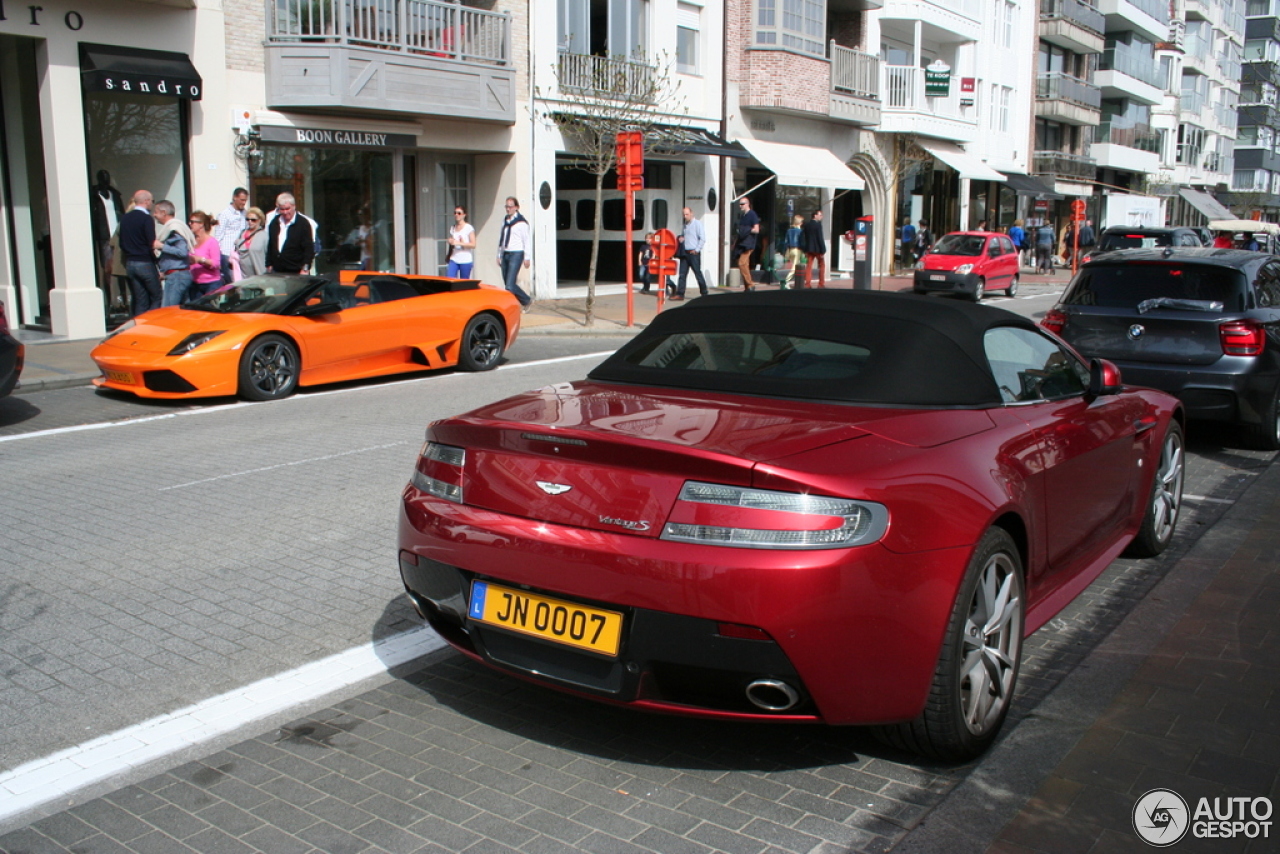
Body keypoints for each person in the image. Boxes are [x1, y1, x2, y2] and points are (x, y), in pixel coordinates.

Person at [119, 190, 162, 316]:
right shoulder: (146, 219)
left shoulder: (125, 217)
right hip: (144, 262)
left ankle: (140, 326)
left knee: (140, 299)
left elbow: (121, 242)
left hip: (130, 263)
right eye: (152, 201)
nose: (152, 204)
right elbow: (151, 242)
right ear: (147, 201)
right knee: (157, 295)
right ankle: (154, 323)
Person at [153, 200, 196, 307]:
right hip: (176, 275)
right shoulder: (171, 228)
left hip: (177, 276)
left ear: (163, 213)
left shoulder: (174, 229)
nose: (154, 215)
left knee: (168, 311)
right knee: (183, 313)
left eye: (156, 212)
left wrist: (161, 246)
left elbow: (182, 252)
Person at [266, 193, 315, 274]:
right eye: (282, 209)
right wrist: (269, 263)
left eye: (287, 209)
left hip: (296, 270)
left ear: (294, 206)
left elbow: (309, 248)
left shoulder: (303, 223)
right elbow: (271, 244)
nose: (285, 212)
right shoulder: (274, 222)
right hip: (278, 270)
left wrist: (305, 268)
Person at [498, 197, 533, 309]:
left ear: (516, 207)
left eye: (510, 206)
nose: (508, 209)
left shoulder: (521, 222)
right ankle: (523, 301)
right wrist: (499, 254)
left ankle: (524, 301)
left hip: (516, 254)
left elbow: (526, 241)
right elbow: (502, 238)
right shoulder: (505, 221)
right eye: (506, 206)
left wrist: (527, 258)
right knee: (508, 284)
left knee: (509, 285)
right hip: (505, 253)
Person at [212, 188, 248, 284]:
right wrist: (218, 256)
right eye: (242, 200)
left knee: (241, 282)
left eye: (245, 200)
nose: (244, 203)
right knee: (231, 283)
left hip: (241, 254)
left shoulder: (245, 214)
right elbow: (218, 236)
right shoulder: (224, 214)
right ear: (234, 198)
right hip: (227, 253)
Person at [187, 211, 223, 299]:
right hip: (195, 283)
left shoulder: (212, 242)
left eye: (192, 222)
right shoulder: (191, 241)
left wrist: (200, 260)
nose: (189, 224)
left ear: (201, 224)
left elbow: (216, 264)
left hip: (211, 284)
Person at [734, 196, 760, 291]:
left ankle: (750, 284)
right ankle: (747, 287)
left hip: (749, 243)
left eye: (742, 204)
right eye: (740, 204)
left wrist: (747, 230)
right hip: (742, 243)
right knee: (745, 264)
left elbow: (756, 230)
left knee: (742, 263)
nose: (740, 206)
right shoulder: (743, 216)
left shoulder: (752, 214)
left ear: (748, 204)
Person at [237, 207, 269, 278]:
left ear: (259, 220)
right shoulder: (242, 233)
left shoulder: (264, 236)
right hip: (243, 276)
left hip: (259, 275)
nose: (250, 222)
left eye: (253, 220)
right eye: (247, 219)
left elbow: (269, 256)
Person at [447, 205, 476, 278]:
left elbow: (473, 245)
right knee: (449, 278)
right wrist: (450, 241)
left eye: (459, 213)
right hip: (454, 258)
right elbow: (453, 242)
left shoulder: (468, 228)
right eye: (455, 213)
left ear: (464, 215)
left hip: (465, 259)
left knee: (464, 283)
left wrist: (460, 243)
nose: (456, 215)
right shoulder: (453, 228)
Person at [803, 208, 827, 289]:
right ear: (815, 215)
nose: (821, 217)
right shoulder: (818, 225)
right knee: (822, 265)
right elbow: (820, 238)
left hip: (809, 248)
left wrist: (804, 248)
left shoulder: (807, 225)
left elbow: (804, 237)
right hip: (817, 249)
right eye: (820, 215)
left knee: (809, 266)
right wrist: (823, 250)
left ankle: (807, 283)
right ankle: (821, 283)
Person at [781, 214, 804, 289]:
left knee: (792, 266)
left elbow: (786, 242)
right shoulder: (800, 231)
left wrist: (785, 251)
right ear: (800, 223)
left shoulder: (789, 231)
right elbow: (802, 242)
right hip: (797, 250)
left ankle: (792, 281)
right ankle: (785, 281)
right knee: (794, 268)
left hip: (790, 249)